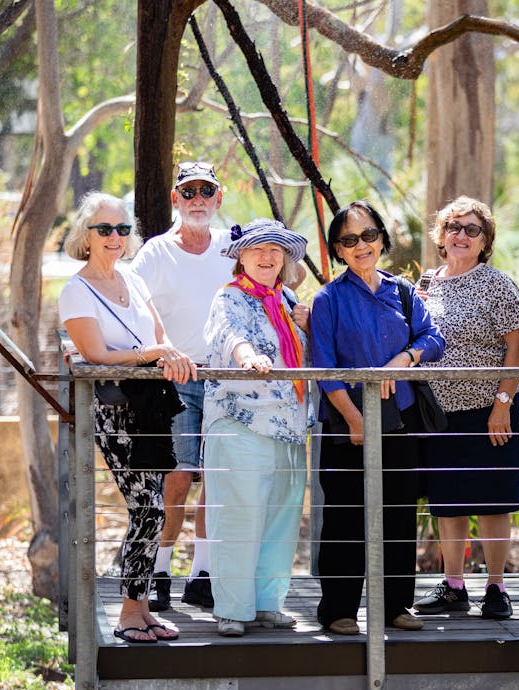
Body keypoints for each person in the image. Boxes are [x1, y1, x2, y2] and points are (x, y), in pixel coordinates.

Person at [58, 192, 197, 643]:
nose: (114, 237)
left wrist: (168, 352)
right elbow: (96, 354)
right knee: (149, 507)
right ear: (86, 235)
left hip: (151, 405)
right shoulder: (75, 290)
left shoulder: (133, 281)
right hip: (115, 411)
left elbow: (160, 335)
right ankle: (126, 614)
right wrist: (156, 353)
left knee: (152, 510)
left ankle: (142, 611)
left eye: (121, 229)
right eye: (104, 229)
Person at [310, 200, 446, 635]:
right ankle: (338, 610)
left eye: (368, 236)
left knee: (399, 514)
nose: (361, 245)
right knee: (346, 516)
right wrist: (354, 420)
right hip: (346, 427)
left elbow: (433, 338)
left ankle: (394, 607)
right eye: (349, 240)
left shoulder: (403, 292)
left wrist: (404, 358)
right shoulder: (328, 300)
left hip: (400, 423)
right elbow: (324, 367)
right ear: (338, 249)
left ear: (382, 240)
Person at [412, 196, 519, 620]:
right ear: (441, 236)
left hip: (488, 411)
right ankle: (454, 586)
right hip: (439, 414)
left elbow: (518, 346)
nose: (460, 235)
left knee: (494, 503)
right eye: (453, 227)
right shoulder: (426, 283)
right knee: (448, 504)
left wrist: (502, 404)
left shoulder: (496, 284)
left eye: (471, 229)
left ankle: (496, 588)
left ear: (485, 239)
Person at [201, 219, 314, 637]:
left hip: (289, 423)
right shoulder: (228, 297)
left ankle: (268, 603)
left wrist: (307, 324)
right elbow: (229, 335)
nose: (267, 257)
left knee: (280, 518)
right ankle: (232, 610)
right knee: (238, 516)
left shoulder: (286, 299)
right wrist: (247, 355)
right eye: (258, 249)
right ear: (241, 257)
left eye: (275, 250)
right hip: (241, 421)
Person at [129, 160, 234, 612]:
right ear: (175, 199)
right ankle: (159, 569)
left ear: (218, 199)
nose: (197, 201)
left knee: (217, 478)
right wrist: (162, 352)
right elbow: (131, 305)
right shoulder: (155, 252)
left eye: (205, 192)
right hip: (175, 378)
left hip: (225, 377)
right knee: (177, 478)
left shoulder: (234, 246)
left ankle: (203, 573)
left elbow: (266, 290)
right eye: (188, 192)